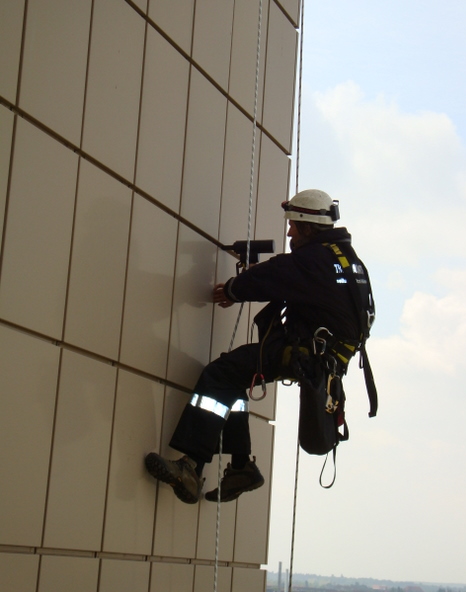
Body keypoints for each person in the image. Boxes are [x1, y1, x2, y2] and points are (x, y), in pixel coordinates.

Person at [145, 189, 370, 504]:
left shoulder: (314, 259)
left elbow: (276, 274)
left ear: (307, 226)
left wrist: (233, 289)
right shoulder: (348, 261)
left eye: (293, 225)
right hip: (324, 359)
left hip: (307, 356)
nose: (289, 232)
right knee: (235, 378)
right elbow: (293, 281)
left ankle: (191, 467)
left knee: (220, 374)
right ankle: (240, 467)